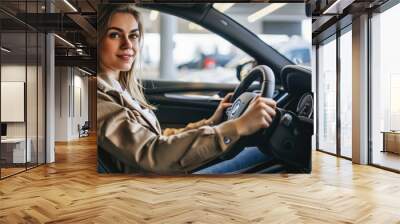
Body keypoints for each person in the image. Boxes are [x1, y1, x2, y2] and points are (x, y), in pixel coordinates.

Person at [97, 4, 277, 174]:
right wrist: (238, 126)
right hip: (156, 188)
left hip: (168, 172)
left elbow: (159, 138)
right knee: (264, 154)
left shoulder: (119, 88)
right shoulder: (98, 100)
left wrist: (211, 123)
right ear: (95, 39)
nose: (128, 44)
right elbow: (153, 152)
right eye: (115, 35)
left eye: (133, 36)